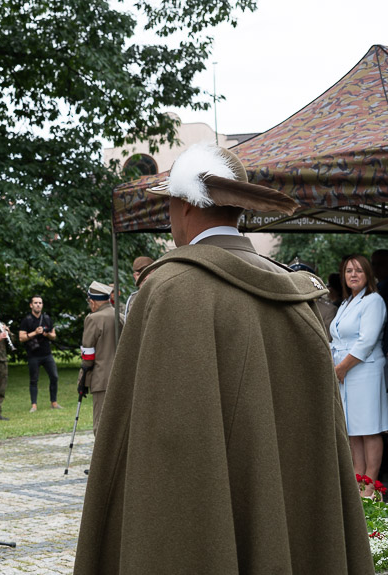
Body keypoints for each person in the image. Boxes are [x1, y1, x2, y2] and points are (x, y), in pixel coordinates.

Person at [74, 143, 374, 574]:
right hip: (287, 530)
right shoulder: (298, 295)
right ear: (237, 211)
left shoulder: (168, 291)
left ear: (183, 206)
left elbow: (150, 449)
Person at [331, 254, 388, 496]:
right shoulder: (346, 303)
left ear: (368, 275)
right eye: (348, 271)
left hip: (364, 370)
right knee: (353, 429)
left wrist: (342, 367)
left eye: (358, 271)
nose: (353, 275)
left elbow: (366, 341)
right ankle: (358, 478)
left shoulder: (373, 301)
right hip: (344, 372)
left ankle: (370, 485)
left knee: (369, 427)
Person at [78, 282, 120, 436]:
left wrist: (82, 380)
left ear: (93, 302)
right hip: (121, 377)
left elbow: (88, 355)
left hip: (101, 378)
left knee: (100, 423)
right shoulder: (120, 316)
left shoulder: (93, 319)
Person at [19, 296, 60, 412]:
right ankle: (34, 405)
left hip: (47, 354)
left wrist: (47, 335)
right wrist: (34, 333)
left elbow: (54, 335)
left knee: (54, 377)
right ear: (31, 305)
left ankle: (54, 402)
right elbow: (21, 338)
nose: (38, 305)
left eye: (40, 303)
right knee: (34, 380)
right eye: (36, 303)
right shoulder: (26, 320)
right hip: (33, 355)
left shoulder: (47, 318)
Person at [288, 257, 336, 337]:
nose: (299, 284)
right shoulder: (285, 306)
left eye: (303, 280)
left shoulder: (328, 311)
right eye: (295, 280)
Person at [123, 256, 154, 322]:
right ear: (134, 277)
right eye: (138, 274)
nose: (143, 278)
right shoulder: (132, 299)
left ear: (155, 272)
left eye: (147, 273)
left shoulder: (162, 293)